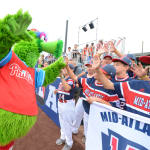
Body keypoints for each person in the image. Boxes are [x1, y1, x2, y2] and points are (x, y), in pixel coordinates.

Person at [65, 60, 118, 142]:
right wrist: (67, 67)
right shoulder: (90, 81)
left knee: (97, 138)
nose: (96, 73)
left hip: (100, 118)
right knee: (86, 130)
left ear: (108, 77)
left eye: (101, 72)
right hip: (87, 112)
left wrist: (98, 100)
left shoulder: (112, 88)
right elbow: (75, 78)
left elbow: (114, 106)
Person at [55, 66, 75, 150]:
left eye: (65, 68)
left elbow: (67, 88)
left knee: (67, 124)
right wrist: (57, 91)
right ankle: (63, 137)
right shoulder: (63, 79)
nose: (63, 70)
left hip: (68, 104)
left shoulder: (71, 79)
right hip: (61, 103)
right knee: (62, 122)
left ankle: (69, 142)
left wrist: (62, 77)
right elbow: (62, 90)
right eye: (62, 68)